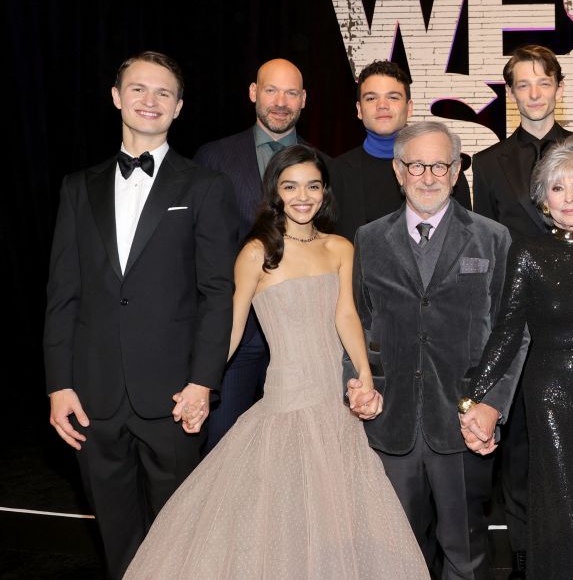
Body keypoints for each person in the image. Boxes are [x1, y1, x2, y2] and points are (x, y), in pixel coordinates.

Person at [124, 144, 428, 578]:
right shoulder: (256, 253)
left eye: (312, 186)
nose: (302, 196)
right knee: (284, 517)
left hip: (335, 399)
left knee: (341, 514)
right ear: (275, 193)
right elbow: (230, 328)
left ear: (325, 192)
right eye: (291, 186)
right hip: (286, 397)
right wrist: (201, 384)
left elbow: (347, 315)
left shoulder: (340, 247)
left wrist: (364, 375)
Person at [43, 51, 239, 578]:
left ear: (178, 108)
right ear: (116, 97)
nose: (149, 101)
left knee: (180, 533)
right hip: (92, 397)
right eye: (138, 89)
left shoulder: (204, 187)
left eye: (162, 93)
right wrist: (58, 384)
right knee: (117, 536)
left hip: (175, 398)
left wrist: (203, 383)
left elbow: (217, 293)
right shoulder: (76, 187)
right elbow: (63, 294)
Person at [348, 122, 527, 580]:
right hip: (391, 425)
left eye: (440, 165)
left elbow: (513, 332)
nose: (428, 176)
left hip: (465, 422)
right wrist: (357, 383)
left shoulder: (492, 238)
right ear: (398, 171)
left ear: (455, 171)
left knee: (466, 555)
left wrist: (492, 406)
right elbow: (356, 325)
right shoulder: (368, 240)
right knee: (396, 557)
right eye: (416, 165)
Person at [461, 137, 573, 580]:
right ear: (543, 198)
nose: (568, 199)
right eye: (557, 188)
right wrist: (472, 395)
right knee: (563, 513)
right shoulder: (528, 254)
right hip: (552, 399)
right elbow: (507, 331)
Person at [470, 45, 573, 574]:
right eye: (522, 84)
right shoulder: (485, 165)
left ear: (558, 87)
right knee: (523, 454)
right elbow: (485, 251)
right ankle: (531, 558)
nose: (533, 93)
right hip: (520, 323)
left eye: (542, 82)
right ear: (511, 94)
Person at [194, 58, 334, 451]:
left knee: (298, 457)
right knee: (225, 452)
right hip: (236, 340)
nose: (281, 101)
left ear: (304, 100)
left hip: (302, 345)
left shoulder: (322, 163)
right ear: (254, 93)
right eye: (271, 90)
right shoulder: (213, 157)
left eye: (291, 93)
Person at [329, 60, 471, 241]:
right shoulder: (335, 172)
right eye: (371, 98)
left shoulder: (442, 168)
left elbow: (467, 238)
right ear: (359, 109)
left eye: (393, 97)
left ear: (409, 107)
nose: (382, 105)